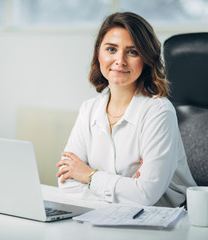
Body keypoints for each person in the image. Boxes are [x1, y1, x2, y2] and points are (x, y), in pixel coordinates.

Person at [55, 12, 196, 207]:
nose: (120, 60)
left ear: (146, 59)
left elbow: (146, 195)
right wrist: (125, 191)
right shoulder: (89, 110)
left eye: (132, 52)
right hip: (104, 220)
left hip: (164, 223)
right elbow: (66, 182)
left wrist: (88, 176)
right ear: (99, 53)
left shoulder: (159, 112)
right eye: (111, 49)